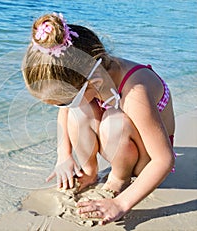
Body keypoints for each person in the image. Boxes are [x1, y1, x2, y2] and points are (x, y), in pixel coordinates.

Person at [21, 13, 175, 225]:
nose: (62, 107)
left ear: (92, 81)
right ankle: (90, 172)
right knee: (78, 111)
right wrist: (63, 155)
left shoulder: (135, 93)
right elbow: (66, 111)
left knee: (113, 121)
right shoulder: (92, 78)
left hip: (146, 162)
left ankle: (119, 179)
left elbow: (164, 160)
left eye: (64, 101)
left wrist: (121, 204)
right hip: (122, 144)